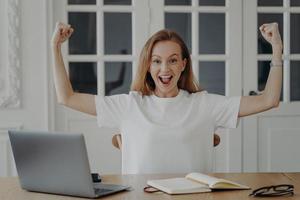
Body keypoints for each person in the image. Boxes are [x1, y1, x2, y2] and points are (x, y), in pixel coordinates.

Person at [51, 22, 282, 174]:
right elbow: (67, 97)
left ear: (183, 64)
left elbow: (269, 99)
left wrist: (277, 50)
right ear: (148, 66)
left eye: (172, 60)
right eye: (156, 61)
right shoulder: (130, 105)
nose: (165, 68)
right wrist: (55, 48)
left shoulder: (205, 104)